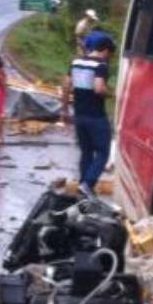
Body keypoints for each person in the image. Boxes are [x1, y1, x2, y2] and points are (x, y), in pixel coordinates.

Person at [62, 31, 114, 192]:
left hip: (79, 115)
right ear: (105, 49)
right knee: (103, 152)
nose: (109, 57)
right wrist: (112, 94)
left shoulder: (75, 62)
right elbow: (99, 88)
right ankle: (87, 184)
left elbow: (66, 86)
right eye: (109, 54)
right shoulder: (101, 65)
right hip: (96, 117)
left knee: (86, 152)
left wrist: (64, 109)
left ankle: (83, 188)